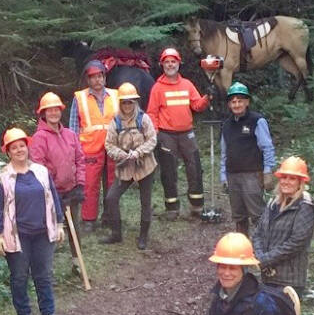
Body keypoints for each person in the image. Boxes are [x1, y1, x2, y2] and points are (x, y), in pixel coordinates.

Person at [0, 127, 65, 315]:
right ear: (8, 151)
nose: (19, 150)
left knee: (44, 275)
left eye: (22, 145)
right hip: (17, 236)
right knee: (20, 276)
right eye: (14, 147)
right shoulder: (2, 178)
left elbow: (53, 198)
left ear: (27, 147)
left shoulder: (41, 171)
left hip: (43, 233)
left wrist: (59, 224)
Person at [146, 47, 210, 219]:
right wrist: (156, 133)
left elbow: (197, 105)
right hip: (166, 135)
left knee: (194, 167)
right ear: (162, 65)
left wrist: (207, 98)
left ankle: (197, 206)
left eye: (173, 61)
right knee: (168, 171)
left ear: (178, 63)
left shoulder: (187, 85)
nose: (170, 65)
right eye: (167, 62)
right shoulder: (157, 88)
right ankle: (172, 209)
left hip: (187, 133)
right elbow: (152, 113)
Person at [101, 82, 158, 250]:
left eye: (130, 102)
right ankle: (116, 233)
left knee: (145, 202)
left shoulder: (144, 119)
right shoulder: (115, 122)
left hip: (145, 165)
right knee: (111, 198)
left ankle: (143, 236)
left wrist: (138, 152)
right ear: (120, 103)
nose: (127, 105)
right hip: (125, 166)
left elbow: (152, 140)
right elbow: (109, 145)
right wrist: (122, 155)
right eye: (124, 102)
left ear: (135, 102)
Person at [67, 60, 119, 232]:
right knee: (90, 184)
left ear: (104, 77)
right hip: (89, 149)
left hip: (113, 147)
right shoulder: (79, 98)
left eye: (100, 76)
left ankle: (111, 216)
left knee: (113, 183)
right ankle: (89, 219)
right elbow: (73, 126)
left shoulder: (116, 95)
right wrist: (74, 150)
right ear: (88, 80)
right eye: (93, 77)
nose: (97, 80)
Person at [251, 156, 314, 291]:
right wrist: (259, 255)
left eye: (292, 178)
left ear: (300, 182)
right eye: (284, 177)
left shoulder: (305, 206)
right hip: (267, 277)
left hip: (289, 281)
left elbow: (296, 243)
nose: (286, 182)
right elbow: (258, 233)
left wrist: (266, 260)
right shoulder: (273, 203)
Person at [219, 82, 277, 235]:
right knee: (239, 216)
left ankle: (264, 248)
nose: (236, 104)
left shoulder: (257, 121)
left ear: (247, 102)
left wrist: (268, 171)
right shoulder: (226, 125)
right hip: (233, 175)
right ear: (229, 104)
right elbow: (224, 152)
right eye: (233, 101)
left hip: (252, 174)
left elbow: (267, 147)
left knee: (258, 214)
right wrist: (223, 175)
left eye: (240, 100)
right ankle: (242, 248)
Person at [28, 91, 85, 237]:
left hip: (71, 189)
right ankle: (48, 257)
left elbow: (79, 159)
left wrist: (79, 185)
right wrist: (51, 190)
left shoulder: (70, 134)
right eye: (50, 110)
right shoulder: (39, 138)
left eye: (56, 109)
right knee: (52, 227)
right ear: (43, 113)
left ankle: (75, 258)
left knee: (74, 227)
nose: (54, 113)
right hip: (52, 192)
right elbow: (38, 167)